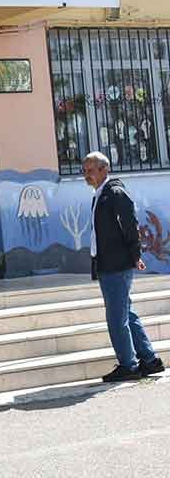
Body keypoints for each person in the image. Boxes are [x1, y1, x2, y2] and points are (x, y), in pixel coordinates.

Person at [83, 151, 164, 382]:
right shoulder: (100, 194)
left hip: (116, 265)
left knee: (116, 318)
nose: (86, 175)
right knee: (126, 312)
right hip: (108, 262)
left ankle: (128, 365)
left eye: (91, 170)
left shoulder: (115, 193)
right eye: (84, 171)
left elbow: (131, 224)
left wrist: (134, 254)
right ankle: (149, 360)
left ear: (104, 170)